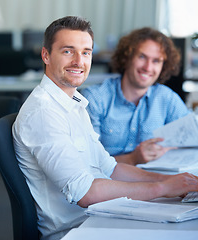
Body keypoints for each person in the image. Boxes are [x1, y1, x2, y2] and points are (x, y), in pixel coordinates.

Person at [12, 16, 198, 240]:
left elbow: (109, 167)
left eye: (86, 52)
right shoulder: (43, 112)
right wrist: (162, 189)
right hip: (75, 229)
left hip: (100, 215)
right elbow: (85, 193)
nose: (79, 61)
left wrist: (165, 181)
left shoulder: (74, 104)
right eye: (68, 51)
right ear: (46, 55)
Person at [81, 27, 190, 165]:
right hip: (108, 182)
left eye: (156, 61)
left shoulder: (167, 98)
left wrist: (168, 148)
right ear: (127, 57)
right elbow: (87, 162)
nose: (148, 67)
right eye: (142, 57)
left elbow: (191, 139)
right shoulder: (95, 98)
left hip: (155, 179)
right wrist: (132, 159)